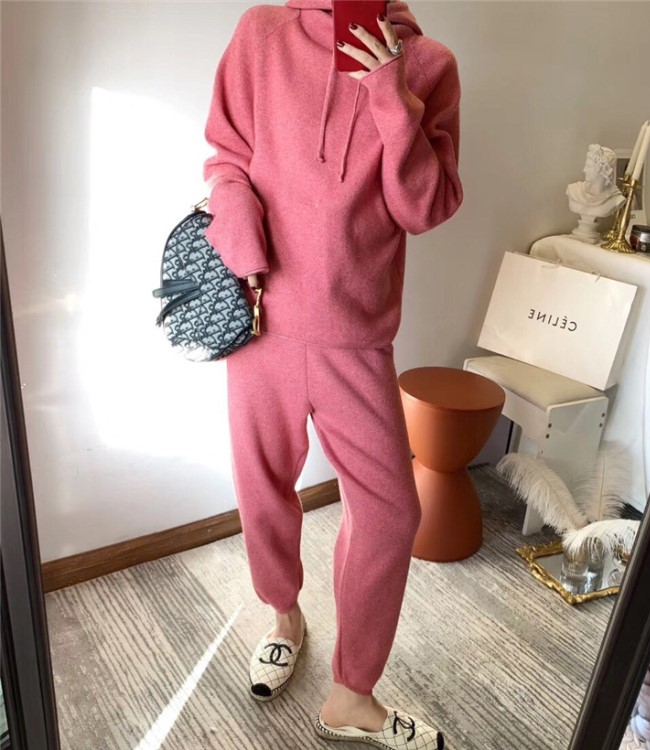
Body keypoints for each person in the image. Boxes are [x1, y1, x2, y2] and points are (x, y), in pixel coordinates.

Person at [202, 0, 463, 747]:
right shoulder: (262, 33)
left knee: (390, 513)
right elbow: (225, 154)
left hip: (357, 338)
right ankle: (283, 614)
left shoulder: (429, 64)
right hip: (262, 321)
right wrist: (239, 229)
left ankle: (352, 694)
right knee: (261, 487)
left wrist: (391, 93)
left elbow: (425, 207)